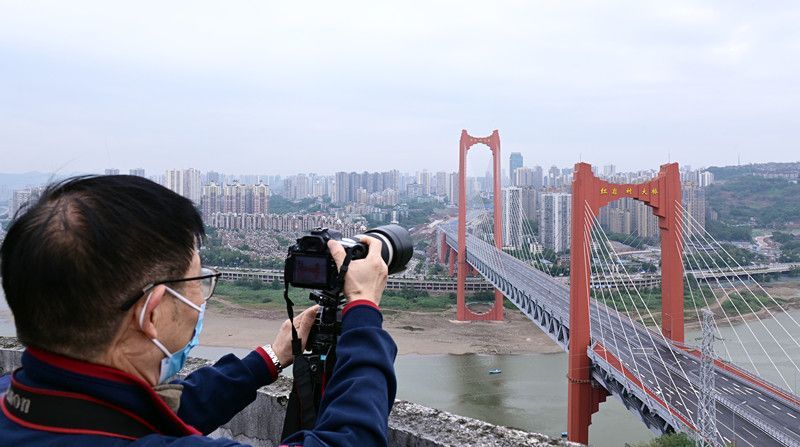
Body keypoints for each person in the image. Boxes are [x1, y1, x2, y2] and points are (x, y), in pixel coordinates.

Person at [0, 175, 397, 446]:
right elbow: (352, 439)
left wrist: (272, 358)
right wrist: (363, 310)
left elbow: (158, 410)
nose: (200, 301)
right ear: (151, 314)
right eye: (198, 285)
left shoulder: (23, 403)